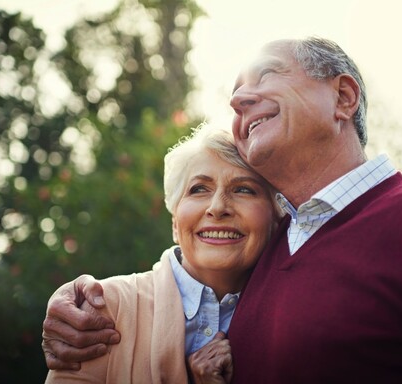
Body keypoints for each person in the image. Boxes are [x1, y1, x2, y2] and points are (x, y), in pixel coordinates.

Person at [42, 37, 402, 383]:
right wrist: (77, 299)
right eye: (236, 94)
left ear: (344, 97)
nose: (238, 101)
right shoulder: (266, 256)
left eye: (266, 76)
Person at [43, 123, 282, 383]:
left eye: (244, 189)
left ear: (277, 220)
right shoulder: (106, 308)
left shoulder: (294, 318)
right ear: (175, 225)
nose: (217, 207)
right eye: (199, 188)